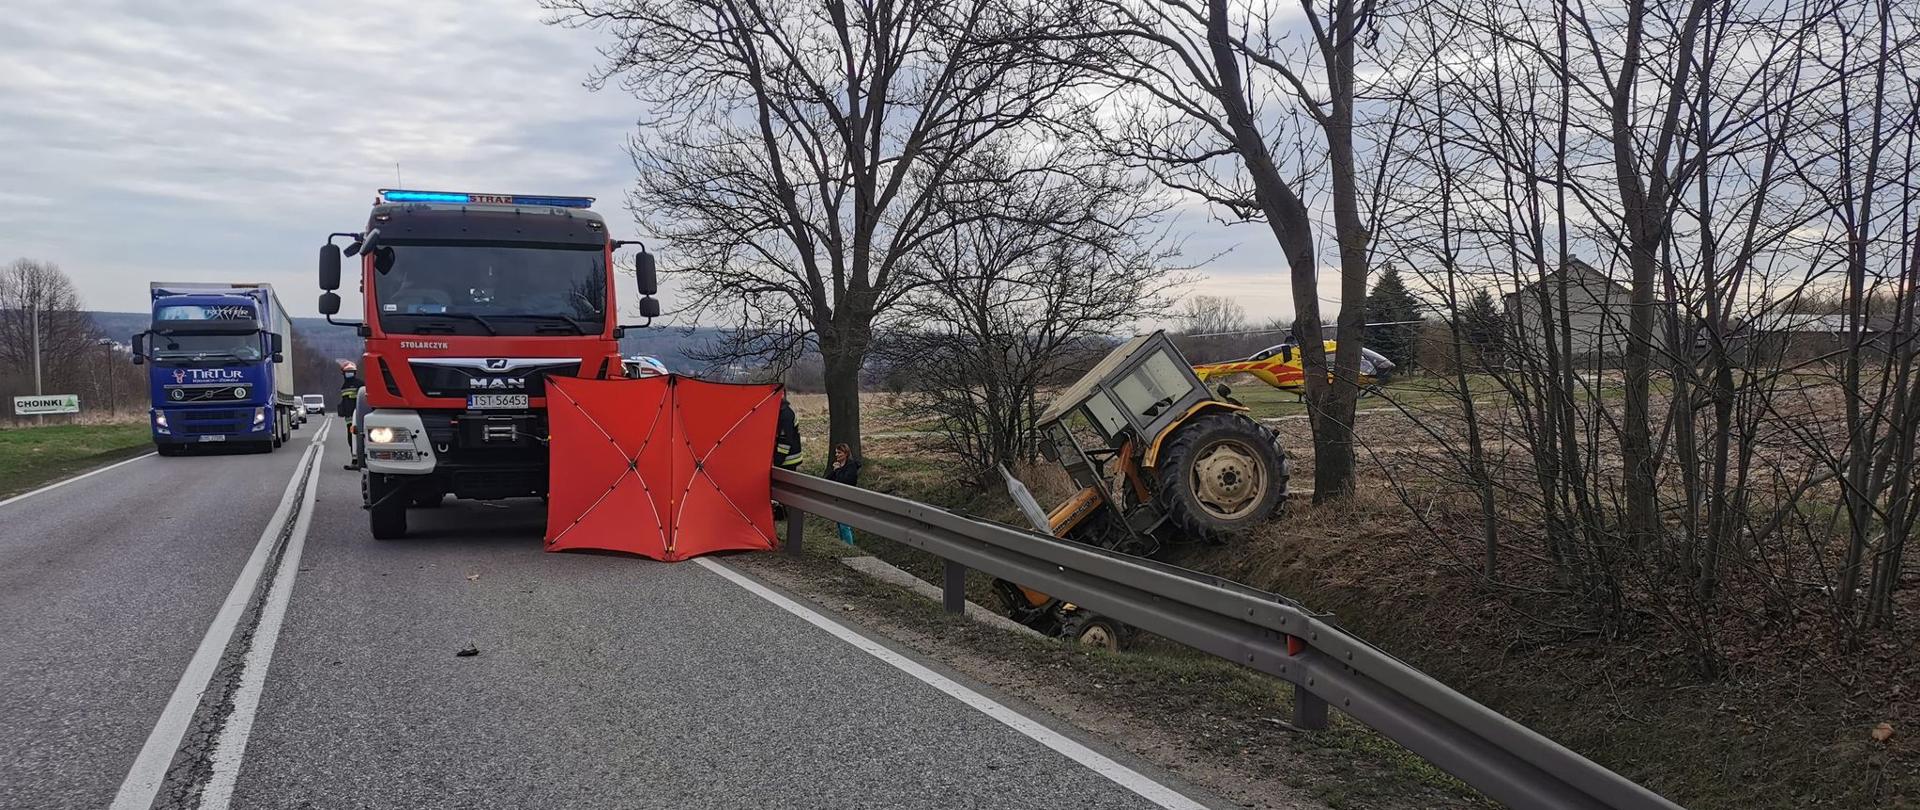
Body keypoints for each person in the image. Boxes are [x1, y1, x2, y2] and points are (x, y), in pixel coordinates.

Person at [772, 397, 803, 520]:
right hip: (788, 456)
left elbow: (785, 441)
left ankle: (789, 515)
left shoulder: (785, 416)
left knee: (786, 490)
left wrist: (778, 461)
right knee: (784, 489)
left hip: (788, 459)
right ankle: (785, 514)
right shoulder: (784, 412)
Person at [825, 443, 861, 545]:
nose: (837, 455)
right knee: (840, 524)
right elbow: (828, 479)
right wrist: (835, 470)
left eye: (839, 452)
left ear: (846, 453)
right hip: (839, 498)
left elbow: (845, 481)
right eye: (836, 452)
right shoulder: (839, 466)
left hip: (848, 498)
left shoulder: (851, 466)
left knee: (845, 524)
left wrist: (838, 470)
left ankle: (849, 546)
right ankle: (843, 545)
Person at [338, 363, 363, 470]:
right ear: (343, 373)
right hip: (349, 418)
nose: (349, 374)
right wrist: (341, 409)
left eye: (351, 372)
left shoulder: (360, 384)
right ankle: (354, 460)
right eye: (347, 372)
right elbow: (346, 401)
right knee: (351, 438)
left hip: (358, 416)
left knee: (360, 438)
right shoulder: (344, 386)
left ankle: (360, 460)